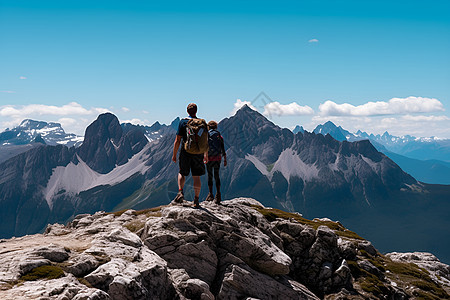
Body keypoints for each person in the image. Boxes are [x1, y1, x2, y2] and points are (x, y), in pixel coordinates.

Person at [172, 103, 208, 208]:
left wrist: (174, 154)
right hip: (199, 152)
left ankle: (180, 192)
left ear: (187, 111)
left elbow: (177, 140)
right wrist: (205, 154)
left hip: (185, 151)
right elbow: (205, 141)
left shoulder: (183, 122)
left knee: (182, 173)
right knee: (196, 176)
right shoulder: (202, 123)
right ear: (196, 111)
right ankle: (196, 200)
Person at [205, 120, 227, 204]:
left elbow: (205, 147)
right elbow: (222, 148)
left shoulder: (207, 135)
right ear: (216, 127)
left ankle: (210, 194)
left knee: (210, 175)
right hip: (218, 158)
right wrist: (225, 159)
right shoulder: (219, 135)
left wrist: (204, 157)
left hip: (209, 158)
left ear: (208, 127)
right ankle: (218, 194)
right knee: (216, 175)